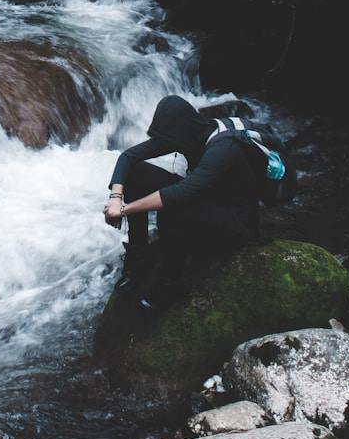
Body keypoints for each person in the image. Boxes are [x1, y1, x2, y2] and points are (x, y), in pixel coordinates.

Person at [103, 95, 260, 311]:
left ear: (182, 131)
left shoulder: (223, 149)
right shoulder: (190, 133)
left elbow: (180, 193)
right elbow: (128, 157)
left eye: (169, 139)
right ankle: (139, 256)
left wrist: (124, 210)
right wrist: (115, 198)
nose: (166, 145)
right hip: (205, 196)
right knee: (136, 173)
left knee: (172, 208)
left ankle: (171, 283)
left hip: (235, 222)